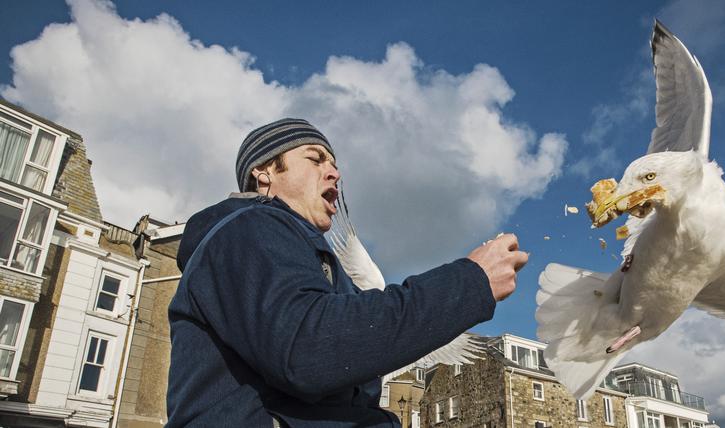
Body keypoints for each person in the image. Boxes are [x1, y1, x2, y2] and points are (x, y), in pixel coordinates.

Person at [166, 118, 528, 427]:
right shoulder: (245, 229)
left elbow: (357, 349)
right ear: (264, 175)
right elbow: (309, 349)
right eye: (315, 159)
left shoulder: (321, 266)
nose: (335, 172)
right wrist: (471, 282)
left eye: (334, 163)